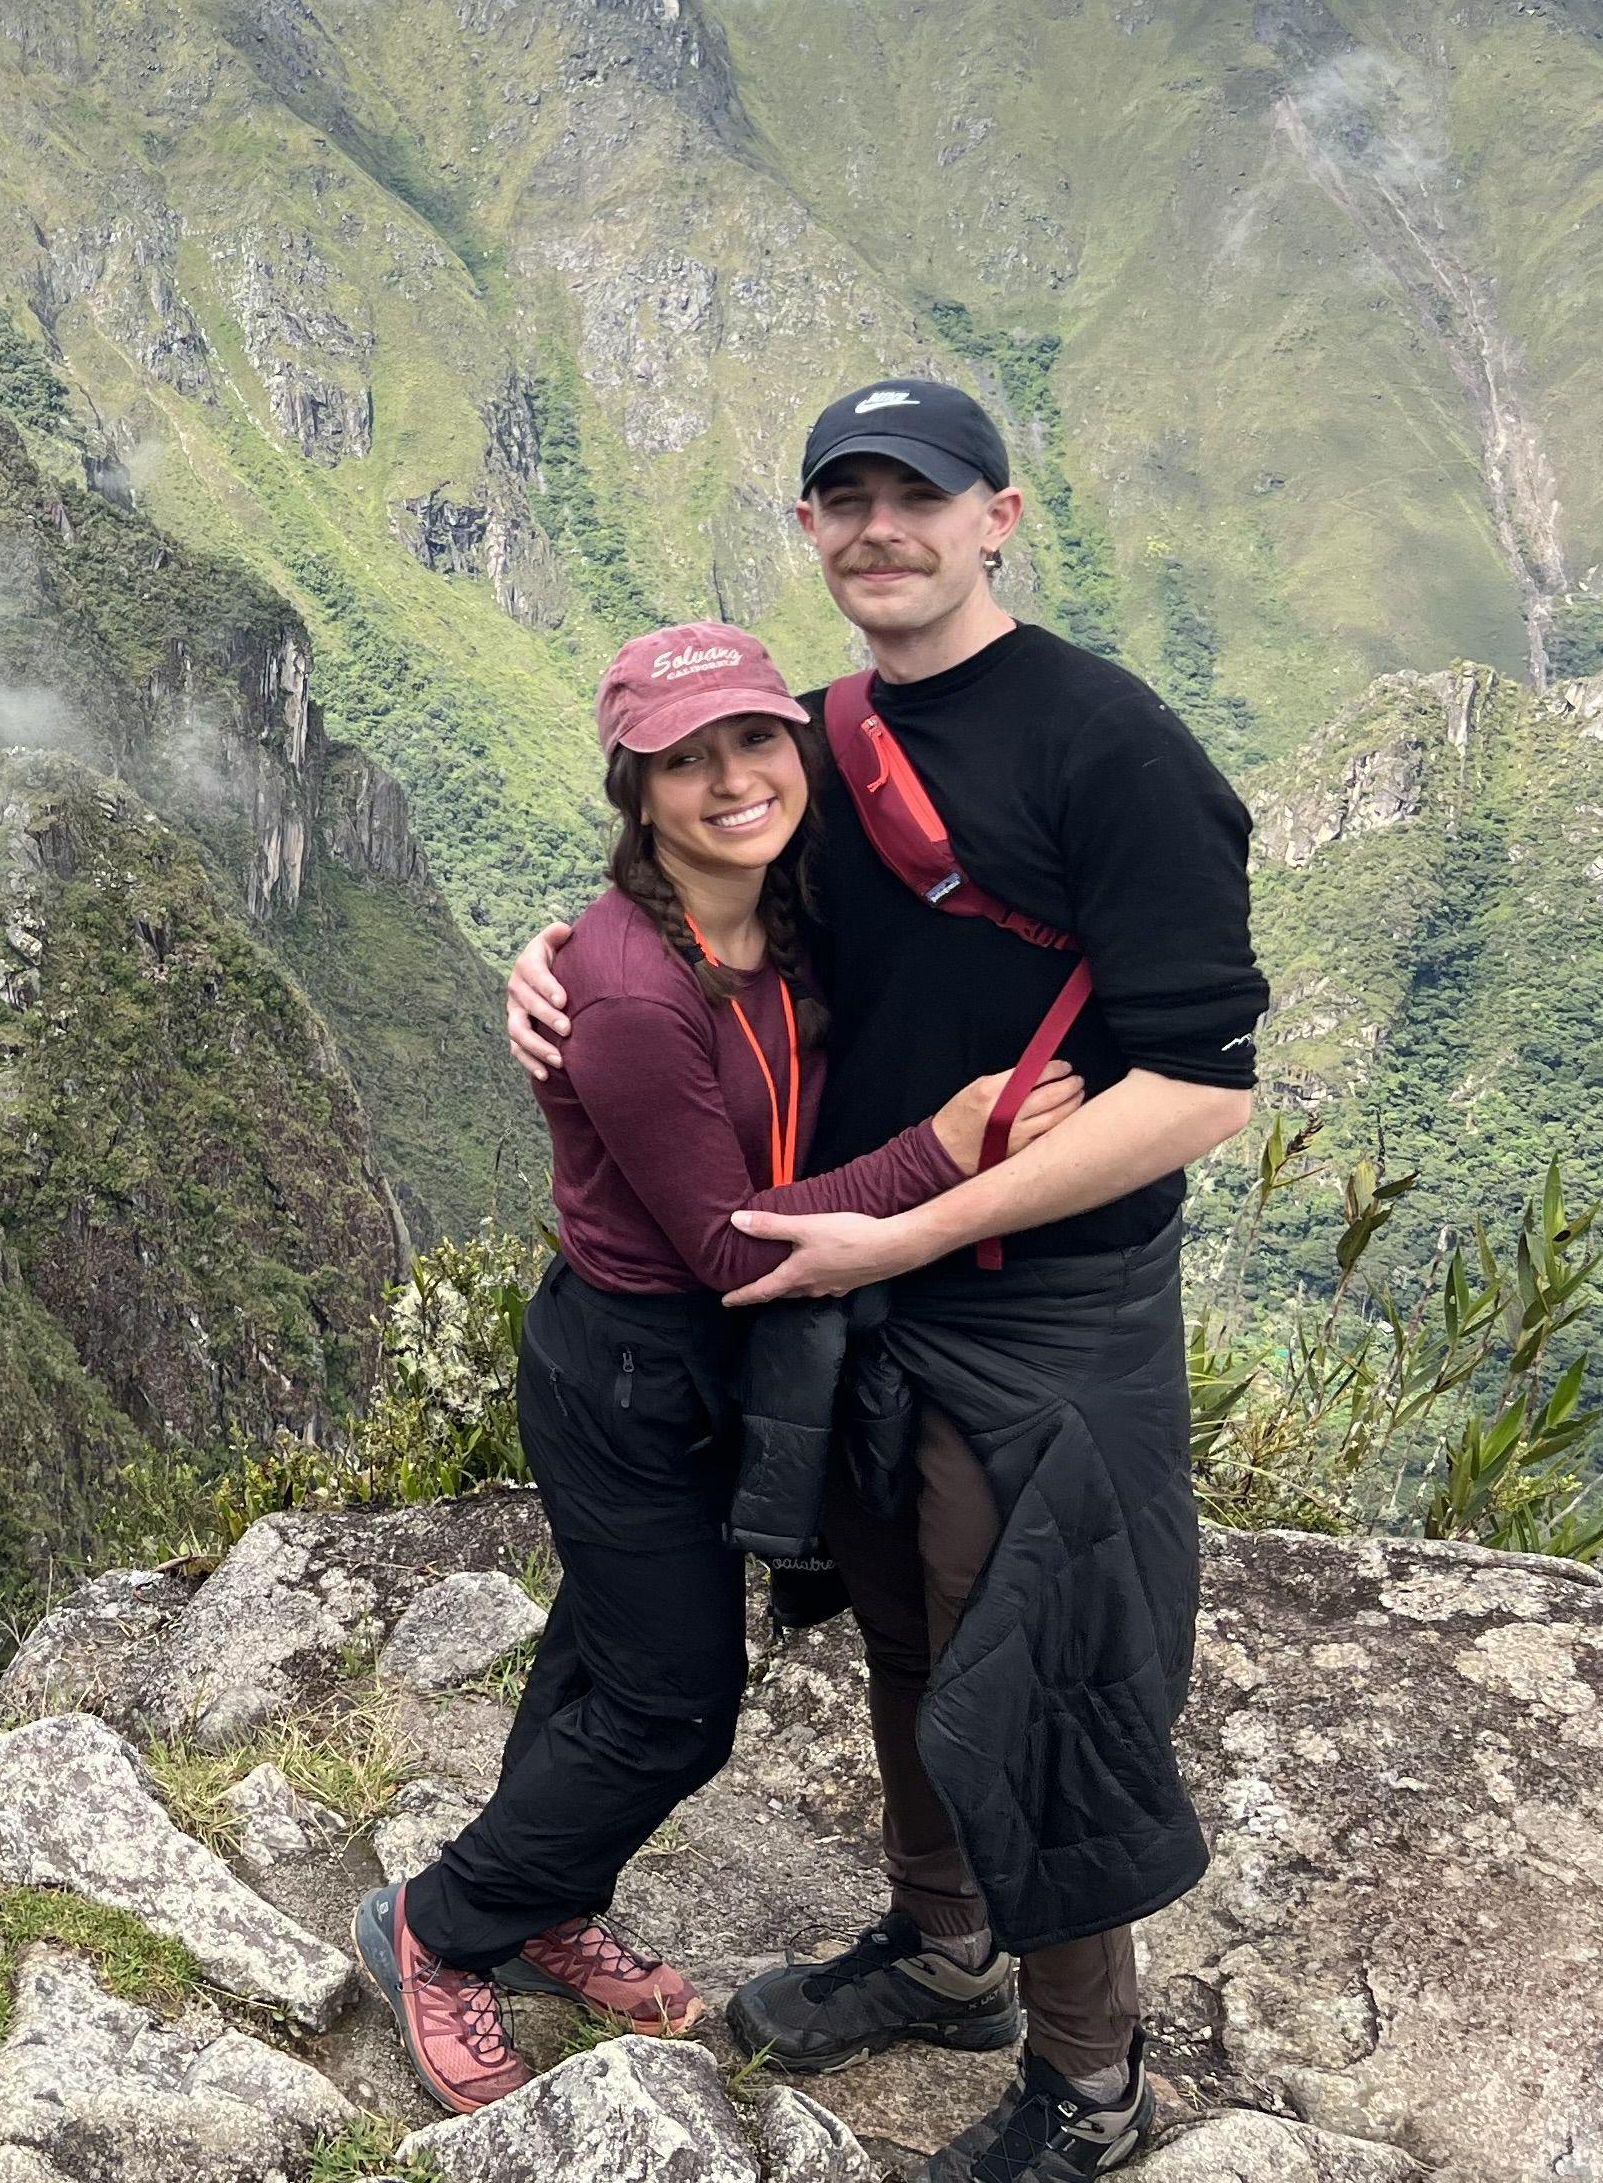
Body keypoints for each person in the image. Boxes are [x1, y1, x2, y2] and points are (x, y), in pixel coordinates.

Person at [504, 378, 1266, 2183]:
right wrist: (553, 958)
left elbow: (1205, 1087)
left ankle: (1095, 2088)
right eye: (842, 500)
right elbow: (715, 907)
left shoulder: (1109, 744)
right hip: (866, 1284)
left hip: (1044, 1303)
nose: (878, 530)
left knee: (1043, 1669)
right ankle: (945, 1957)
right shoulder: (829, 738)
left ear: (999, 515)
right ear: (810, 533)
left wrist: (918, 1219)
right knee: (907, 1635)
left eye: (915, 497)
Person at [353, 615, 1085, 2116]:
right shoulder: (627, 988)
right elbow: (737, 1249)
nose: (734, 777)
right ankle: (441, 1924)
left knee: (606, 1652)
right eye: (686, 760)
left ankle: (549, 1895)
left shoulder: (786, 906)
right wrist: (941, 1153)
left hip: (720, 1364)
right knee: (675, 1705)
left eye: (756, 739)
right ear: (636, 791)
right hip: (637, 1364)